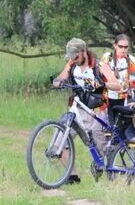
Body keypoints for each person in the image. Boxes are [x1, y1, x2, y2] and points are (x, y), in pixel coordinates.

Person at [52, 38, 122, 183]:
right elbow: (62, 76)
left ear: (84, 52)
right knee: (58, 144)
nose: (73, 60)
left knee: (103, 153)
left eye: (76, 56)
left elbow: (117, 85)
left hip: (97, 111)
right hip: (77, 109)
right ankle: (72, 177)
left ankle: (116, 179)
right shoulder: (72, 63)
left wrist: (102, 84)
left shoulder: (99, 66)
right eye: (71, 57)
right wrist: (58, 82)